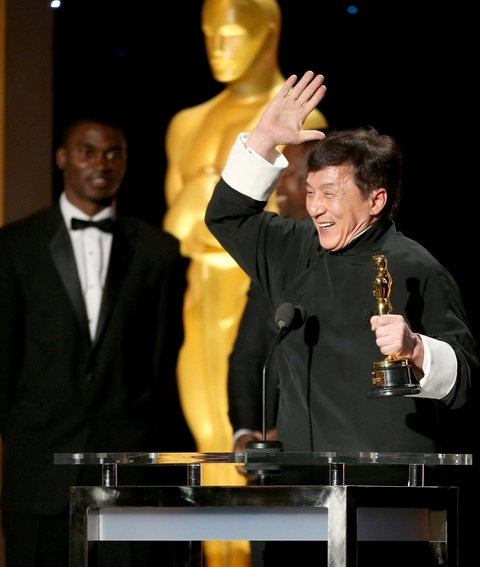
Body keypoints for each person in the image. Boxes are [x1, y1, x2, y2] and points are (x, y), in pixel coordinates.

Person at [205, 71, 478, 565]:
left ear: (376, 199)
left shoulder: (418, 268)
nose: (315, 208)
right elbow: (225, 216)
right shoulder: (292, 249)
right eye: (311, 192)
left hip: (385, 506)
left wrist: (418, 349)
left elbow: (467, 379)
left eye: (330, 193)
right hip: (297, 501)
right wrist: (263, 139)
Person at [0, 111, 193, 567]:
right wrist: (28, 431)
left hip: (126, 472)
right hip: (39, 469)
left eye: (114, 154)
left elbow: (162, 358)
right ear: (62, 158)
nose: (102, 163)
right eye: (88, 152)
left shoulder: (159, 251)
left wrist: (132, 429)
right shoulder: (16, 245)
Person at [162, 0, 328, 557]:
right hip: (202, 302)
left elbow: (294, 212)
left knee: (268, 463)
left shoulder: (300, 119)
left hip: (262, 290)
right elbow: (179, 224)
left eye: (233, 32)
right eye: (209, 32)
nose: (218, 46)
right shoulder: (186, 123)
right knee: (213, 448)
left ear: (269, 28)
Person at [228, 139, 318, 463]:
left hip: (329, 453)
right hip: (271, 461)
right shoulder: (272, 262)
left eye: (289, 174)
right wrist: (246, 433)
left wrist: (294, 431)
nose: (278, 185)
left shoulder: (358, 262)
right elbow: (247, 357)